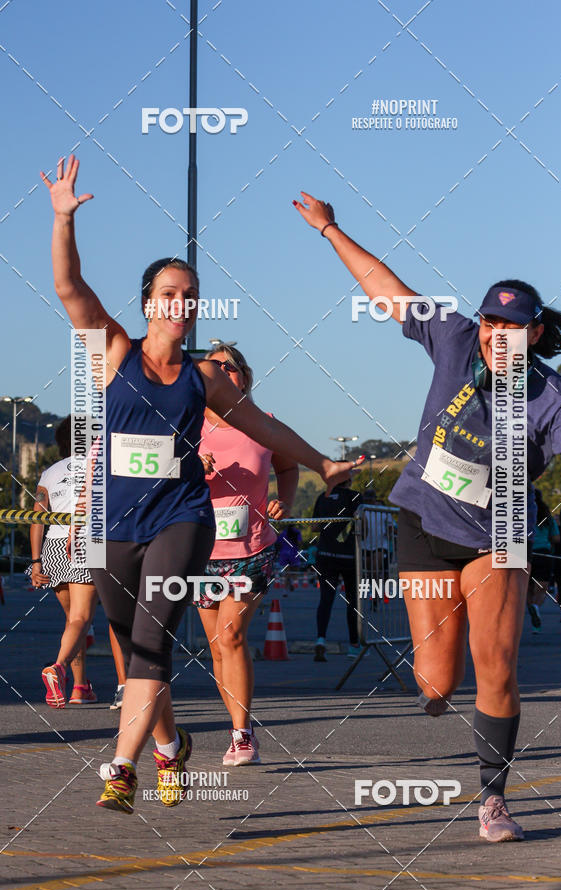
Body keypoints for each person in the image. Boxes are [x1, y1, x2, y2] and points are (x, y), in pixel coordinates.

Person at [42, 156, 359, 814]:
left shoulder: (206, 379)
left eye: (191, 294)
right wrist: (63, 219)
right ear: (148, 303)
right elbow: (70, 286)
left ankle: (123, 768)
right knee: (133, 654)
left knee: (153, 639)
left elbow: (269, 434)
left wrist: (324, 465)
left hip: (182, 521)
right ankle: (169, 747)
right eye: (171, 293)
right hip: (112, 524)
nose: (182, 303)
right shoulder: (115, 351)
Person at [294, 190, 561, 842]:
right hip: (423, 525)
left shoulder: (555, 399)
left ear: (534, 334)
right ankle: (439, 669)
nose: (497, 335)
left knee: (497, 663)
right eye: (491, 322)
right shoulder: (455, 337)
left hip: (498, 538)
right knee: (436, 682)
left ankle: (493, 801)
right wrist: (330, 230)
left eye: (512, 327)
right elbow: (390, 291)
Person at [194, 343, 298, 766]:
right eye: (212, 367)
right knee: (218, 648)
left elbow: (288, 466)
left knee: (232, 636)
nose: (221, 371)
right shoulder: (186, 425)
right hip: (200, 549)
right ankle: (236, 726)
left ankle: (243, 735)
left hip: (252, 547)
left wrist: (284, 502)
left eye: (229, 367)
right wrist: (189, 467)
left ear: (243, 377)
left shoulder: (264, 424)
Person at [28, 416, 98, 707]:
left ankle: (80, 686)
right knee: (82, 619)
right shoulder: (100, 466)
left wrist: (36, 561)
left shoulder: (50, 472)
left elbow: (36, 518)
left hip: (52, 546)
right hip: (85, 542)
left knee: (74, 621)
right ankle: (57, 667)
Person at [312, 477, 363, 661]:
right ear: (349, 480)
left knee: (325, 599)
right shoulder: (356, 496)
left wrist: (329, 528)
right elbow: (362, 523)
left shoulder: (322, 496)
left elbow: (315, 526)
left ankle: (320, 640)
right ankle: (354, 645)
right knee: (352, 601)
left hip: (325, 554)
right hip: (349, 555)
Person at [527, 490, 559, 632]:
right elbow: (556, 538)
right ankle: (536, 607)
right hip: (544, 553)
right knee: (542, 587)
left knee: (527, 587)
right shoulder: (547, 517)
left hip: (525, 552)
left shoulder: (521, 513)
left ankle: (531, 610)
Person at [275, 523, 303, 595]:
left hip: (284, 554)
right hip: (293, 553)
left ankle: (285, 590)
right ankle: (292, 583)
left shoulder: (283, 533)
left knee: (286, 573)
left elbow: (278, 543)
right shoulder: (297, 532)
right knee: (294, 571)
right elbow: (299, 542)